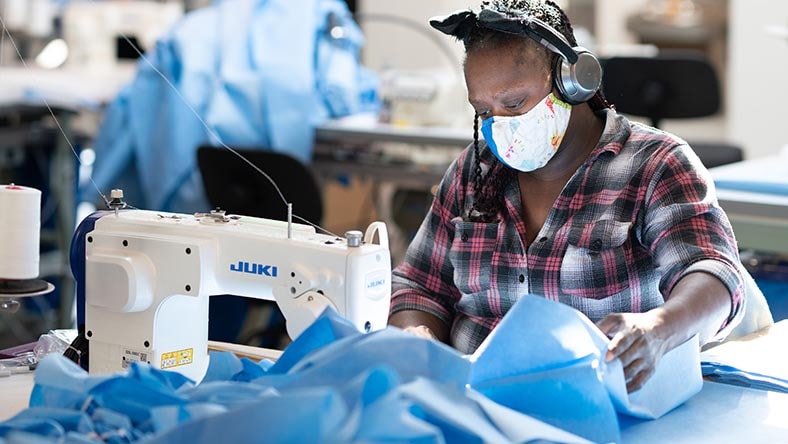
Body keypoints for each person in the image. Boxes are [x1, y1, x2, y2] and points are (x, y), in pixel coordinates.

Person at [388, 0, 744, 393]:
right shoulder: (475, 172)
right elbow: (419, 287)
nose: (500, 125)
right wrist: (414, 336)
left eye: (514, 103)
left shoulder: (655, 165)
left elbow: (715, 275)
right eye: (484, 111)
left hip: (601, 407)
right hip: (474, 403)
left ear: (572, 80)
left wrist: (658, 329)